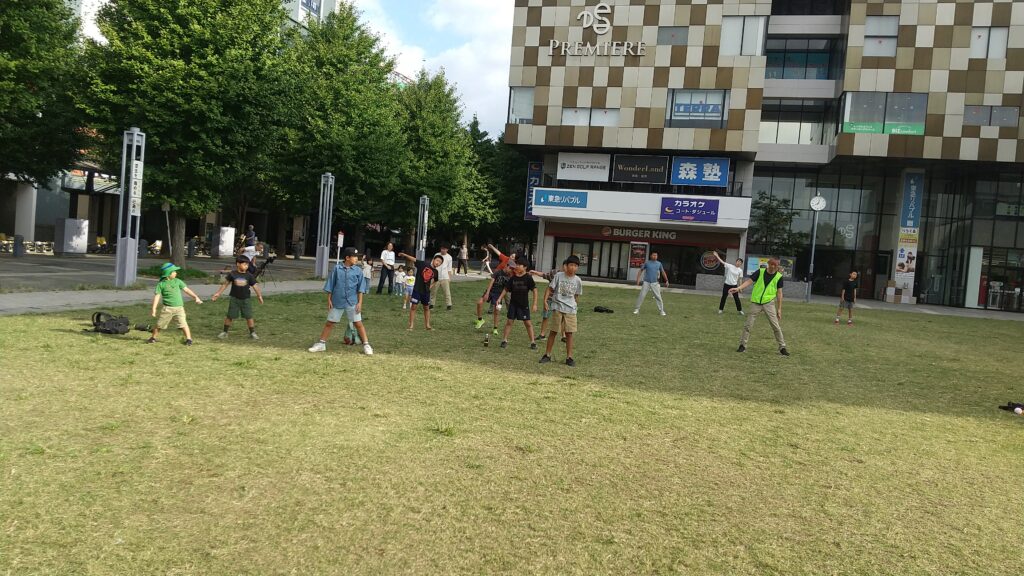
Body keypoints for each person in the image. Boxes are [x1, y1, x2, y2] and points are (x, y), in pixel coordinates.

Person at [308, 247, 373, 355]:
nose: (357, 259)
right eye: (354, 257)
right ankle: (321, 344)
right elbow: (331, 284)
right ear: (347, 258)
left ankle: (366, 344)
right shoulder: (337, 269)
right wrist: (329, 299)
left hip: (352, 301)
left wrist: (360, 302)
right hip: (337, 300)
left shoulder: (358, 271)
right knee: (330, 323)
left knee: (358, 323)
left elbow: (360, 288)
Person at [730, 257, 789, 356]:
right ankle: (742, 345)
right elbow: (749, 281)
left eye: (775, 265)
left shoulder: (779, 277)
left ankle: (782, 347)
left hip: (769, 303)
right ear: (768, 264)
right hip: (756, 302)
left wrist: (779, 309)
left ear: (777, 266)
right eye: (771, 264)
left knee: (776, 326)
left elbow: (779, 293)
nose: (773, 267)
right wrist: (738, 288)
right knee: (748, 325)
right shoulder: (760, 272)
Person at [539, 256, 583, 366]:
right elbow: (550, 289)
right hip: (557, 307)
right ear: (566, 266)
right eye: (571, 265)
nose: (573, 267)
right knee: (553, 331)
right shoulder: (559, 276)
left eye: (575, 266)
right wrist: (545, 301)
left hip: (570, 310)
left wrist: (575, 306)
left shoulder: (578, 280)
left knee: (569, 333)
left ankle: (569, 357)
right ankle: (547, 355)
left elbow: (576, 296)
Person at [147, 262, 203, 345]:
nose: (176, 273)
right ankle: (153, 338)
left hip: (179, 308)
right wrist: (153, 309)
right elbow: (157, 297)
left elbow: (187, 290)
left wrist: (195, 297)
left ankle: (189, 339)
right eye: (174, 272)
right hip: (167, 309)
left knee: (183, 324)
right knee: (159, 325)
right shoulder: (161, 284)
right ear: (168, 274)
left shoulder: (178, 281)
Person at [212, 255, 264, 340]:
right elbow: (225, 284)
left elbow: (255, 286)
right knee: (230, 316)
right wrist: (218, 293)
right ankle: (225, 332)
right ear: (238, 264)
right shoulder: (232, 274)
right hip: (234, 299)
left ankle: (252, 333)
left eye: (247, 265)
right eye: (244, 264)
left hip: (246, 299)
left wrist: (259, 296)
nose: (246, 266)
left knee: (249, 316)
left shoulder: (249, 276)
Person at [497, 255, 538, 350]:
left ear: (525, 267)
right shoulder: (513, 278)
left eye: (519, 265)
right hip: (513, 304)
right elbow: (506, 289)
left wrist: (535, 304)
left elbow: (535, 290)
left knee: (528, 323)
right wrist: (499, 298)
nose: (517, 266)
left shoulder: (528, 278)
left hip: (523, 305)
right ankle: (504, 340)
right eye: (517, 264)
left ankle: (532, 342)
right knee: (509, 322)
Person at [398, 251, 444, 330]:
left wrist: (430, 286)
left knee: (426, 308)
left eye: (440, 262)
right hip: (417, 290)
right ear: (433, 260)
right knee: (413, 307)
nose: (438, 263)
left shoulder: (436, 272)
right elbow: (414, 259)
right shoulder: (423, 264)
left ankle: (428, 325)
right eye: (437, 260)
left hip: (426, 292)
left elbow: (436, 280)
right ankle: (411, 326)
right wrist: (404, 255)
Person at [475, 266, 511, 335]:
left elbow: (505, 289)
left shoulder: (509, 276)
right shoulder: (498, 272)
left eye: (512, 269)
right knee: (479, 303)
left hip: (498, 294)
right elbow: (491, 282)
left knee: (497, 311)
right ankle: (480, 320)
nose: (511, 270)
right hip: (491, 291)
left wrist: (500, 298)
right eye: (510, 268)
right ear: (507, 266)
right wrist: (487, 293)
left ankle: (495, 329)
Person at [430, 245, 454, 310]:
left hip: (445, 277)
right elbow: (432, 264)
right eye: (442, 248)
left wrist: (449, 278)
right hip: (436, 276)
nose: (443, 250)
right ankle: (431, 304)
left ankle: (449, 305)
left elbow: (449, 268)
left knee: (447, 292)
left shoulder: (449, 257)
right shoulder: (436, 255)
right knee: (433, 291)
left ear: (447, 250)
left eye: (445, 249)